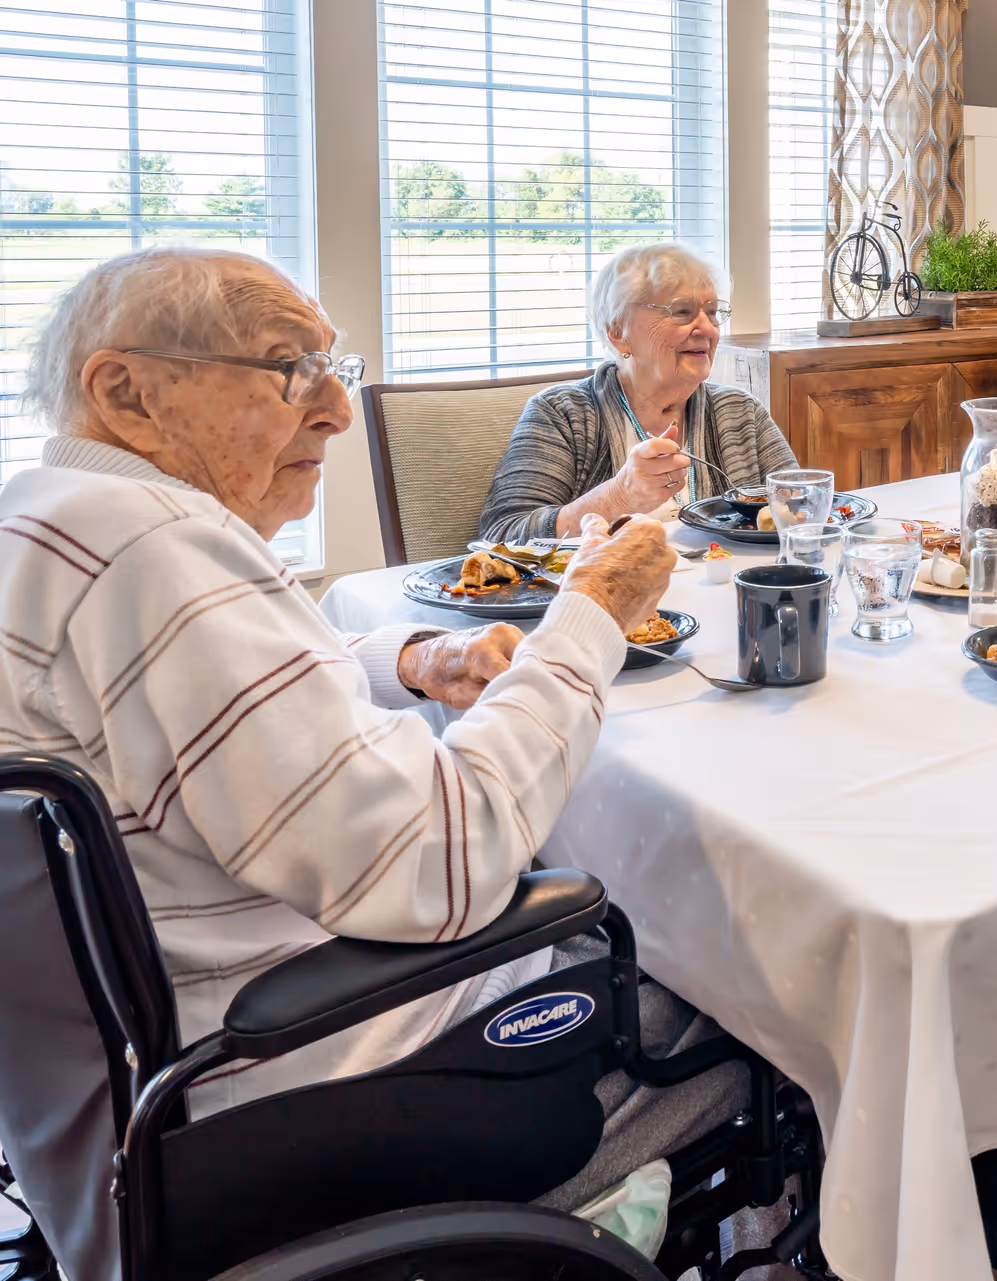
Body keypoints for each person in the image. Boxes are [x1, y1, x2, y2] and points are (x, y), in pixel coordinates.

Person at [1, 246, 742, 1219]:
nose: (338, 411)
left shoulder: (53, 520)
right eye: (288, 369)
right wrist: (591, 617)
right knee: (746, 983)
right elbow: (448, 852)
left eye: (331, 370)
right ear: (126, 391)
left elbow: (233, 691)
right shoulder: (155, 551)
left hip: (132, 1103)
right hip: (328, 1085)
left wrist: (410, 660)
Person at [477, 243, 797, 543]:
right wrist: (619, 496)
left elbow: (801, 510)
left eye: (713, 312)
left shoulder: (740, 412)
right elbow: (501, 535)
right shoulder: (561, 414)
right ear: (618, 333)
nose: (707, 329)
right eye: (682, 311)